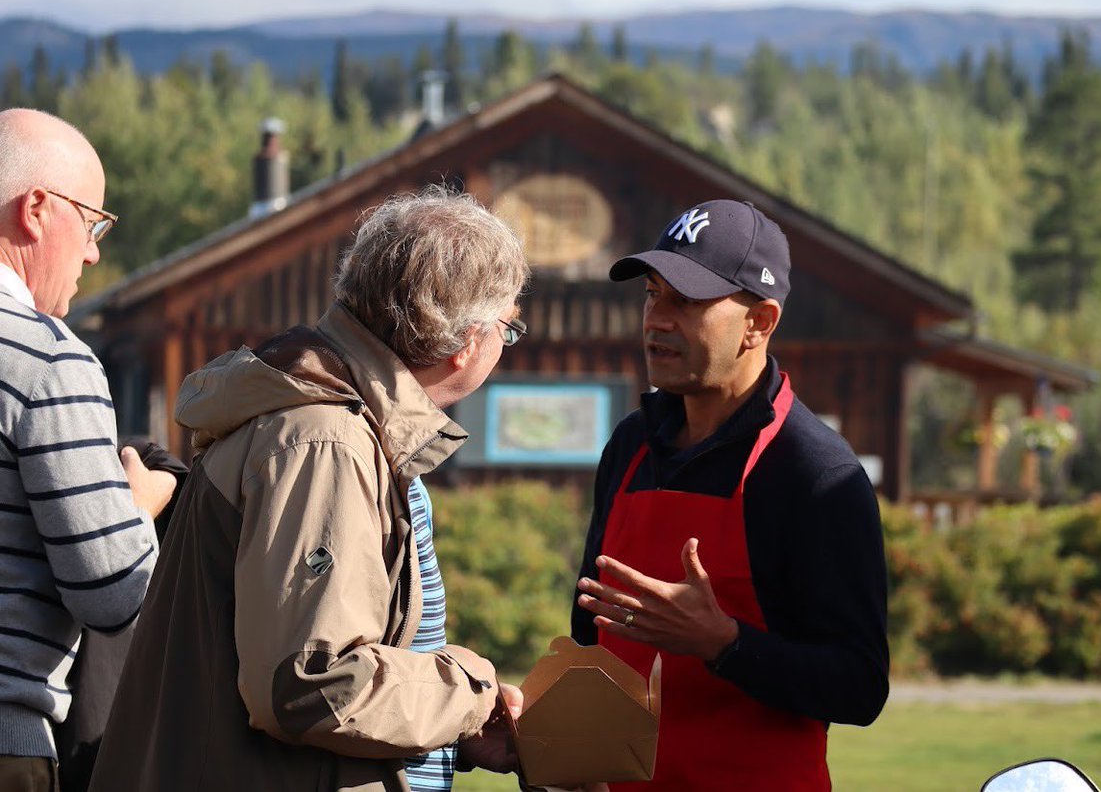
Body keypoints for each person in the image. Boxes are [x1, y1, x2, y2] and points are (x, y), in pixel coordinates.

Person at [90, 187, 531, 791]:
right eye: (509, 327)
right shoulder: (323, 441)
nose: (505, 345)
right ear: (466, 343)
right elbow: (308, 683)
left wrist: (446, 729)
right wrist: (469, 693)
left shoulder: (329, 424)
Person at [572, 199, 890, 791]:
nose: (656, 320)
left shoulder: (817, 475)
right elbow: (592, 632)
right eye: (652, 293)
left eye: (687, 301)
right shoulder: (631, 445)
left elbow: (860, 686)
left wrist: (723, 643)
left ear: (760, 322)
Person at [0, 108, 175, 792]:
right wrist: (137, 507)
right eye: (93, 221)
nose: (94, 251)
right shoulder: (47, 359)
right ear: (37, 210)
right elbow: (112, 591)